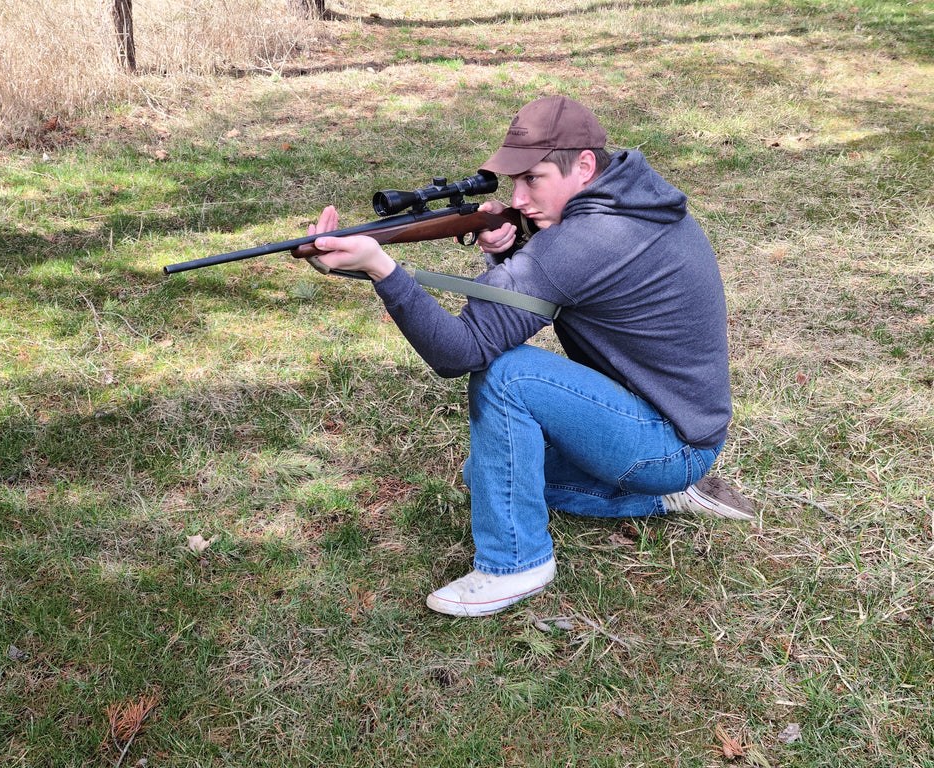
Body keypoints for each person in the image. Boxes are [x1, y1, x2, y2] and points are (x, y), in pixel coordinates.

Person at [307, 95, 754, 617]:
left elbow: (461, 352)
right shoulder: (633, 199)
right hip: (674, 421)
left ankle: (515, 563)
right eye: (513, 181)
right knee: (486, 477)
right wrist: (508, 253)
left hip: (669, 440)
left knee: (506, 375)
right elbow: (568, 285)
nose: (517, 199)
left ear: (584, 165)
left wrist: (382, 270)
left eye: (534, 179)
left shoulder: (585, 239)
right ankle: (665, 495)